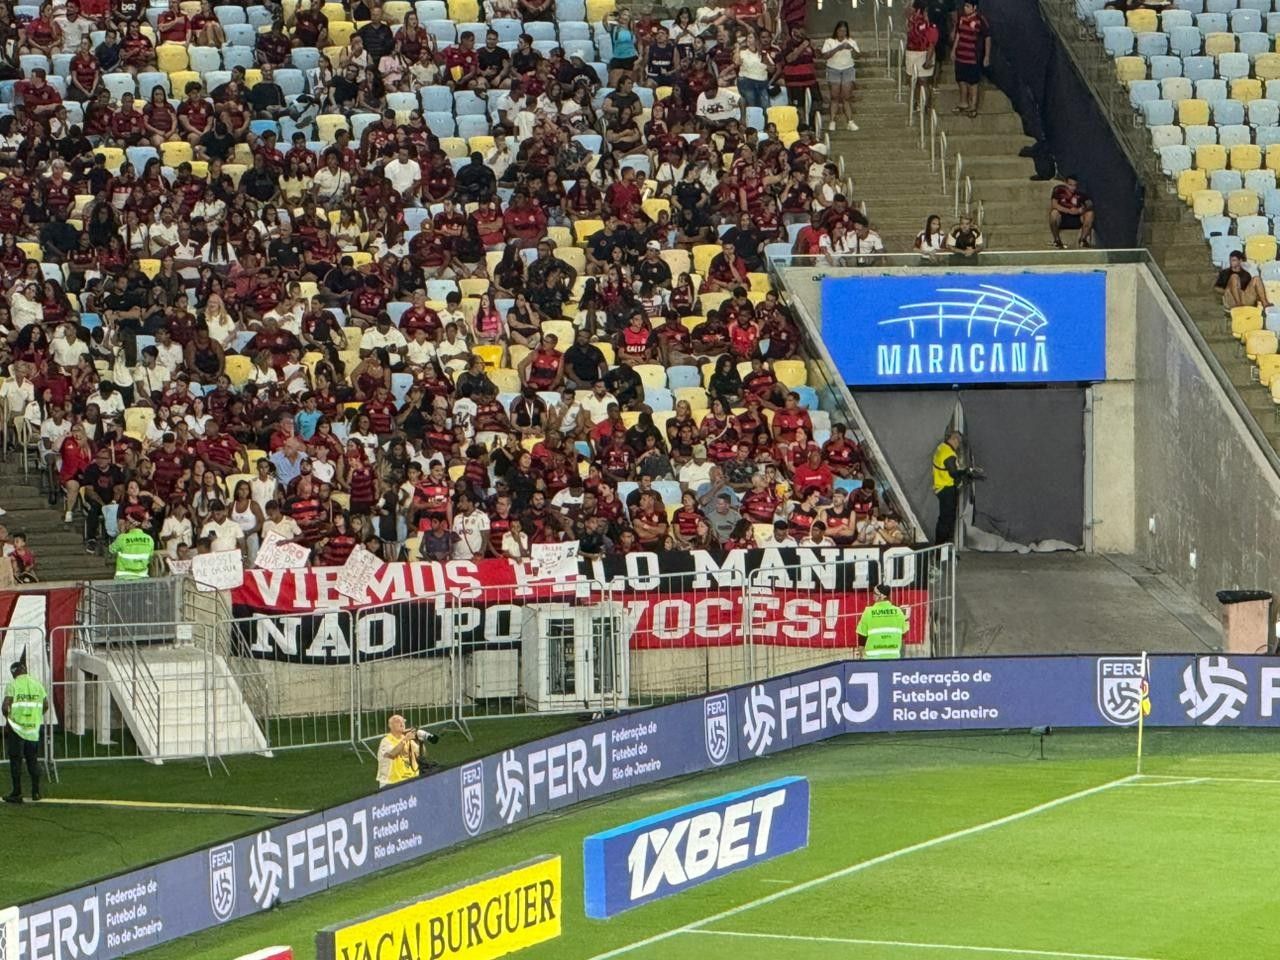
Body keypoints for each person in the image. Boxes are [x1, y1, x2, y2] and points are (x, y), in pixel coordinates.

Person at [3, 656, 47, 803]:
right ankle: (36, 792)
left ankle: (17, 793)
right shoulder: (38, 685)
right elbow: (45, 705)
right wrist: (35, 717)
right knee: (32, 761)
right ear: (25, 670)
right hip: (33, 730)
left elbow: (5, 706)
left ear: (14, 673)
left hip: (17, 729)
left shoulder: (13, 685)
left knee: (16, 761)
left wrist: (8, 720)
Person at [932, 429, 981, 545]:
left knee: (943, 520)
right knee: (947, 521)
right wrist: (968, 470)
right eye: (958, 442)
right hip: (946, 489)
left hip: (940, 487)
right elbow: (953, 473)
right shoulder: (948, 453)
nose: (958, 445)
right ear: (953, 439)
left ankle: (941, 548)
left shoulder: (941, 447)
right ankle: (941, 548)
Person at [951, 0, 990, 119]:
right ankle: (963, 102)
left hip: (973, 57)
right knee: (961, 80)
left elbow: (987, 38)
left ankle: (973, 106)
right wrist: (953, 50)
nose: (965, 8)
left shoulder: (980, 20)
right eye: (964, 6)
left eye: (968, 6)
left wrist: (986, 56)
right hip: (960, 56)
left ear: (974, 7)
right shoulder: (962, 18)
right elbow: (958, 34)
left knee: (973, 82)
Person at [856, 583, 909, 660]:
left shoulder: (868, 612)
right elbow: (903, 634)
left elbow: (862, 636)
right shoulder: (898, 612)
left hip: (872, 658)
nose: (872, 595)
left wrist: (861, 653)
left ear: (882, 596)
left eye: (874, 593)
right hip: (893, 657)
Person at [1049, 174, 1095, 249]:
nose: (1073, 187)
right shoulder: (1058, 190)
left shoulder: (1080, 194)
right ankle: (1057, 240)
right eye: (1070, 185)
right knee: (1053, 213)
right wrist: (1069, 211)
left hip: (1077, 218)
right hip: (1063, 217)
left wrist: (1082, 209)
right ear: (1065, 183)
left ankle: (1083, 240)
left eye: (1075, 185)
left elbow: (1089, 204)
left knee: (1090, 214)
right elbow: (1054, 205)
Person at [376, 713, 419, 788]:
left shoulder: (407, 739)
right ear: (390, 726)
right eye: (398, 721)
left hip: (410, 779)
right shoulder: (386, 741)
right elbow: (392, 754)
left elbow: (420, 754)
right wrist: (405, 739)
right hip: (391, 783)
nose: (402, 723)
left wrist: (419, 740)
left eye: (403, 721)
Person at [108, 514, 155, 579]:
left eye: (127, 522)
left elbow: (111, 550)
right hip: (142, 577)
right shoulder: (149, 539)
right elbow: (150, 557)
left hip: (123, 578)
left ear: (132, 524)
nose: (125, 524)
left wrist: (122, 534)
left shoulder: (122, 538)